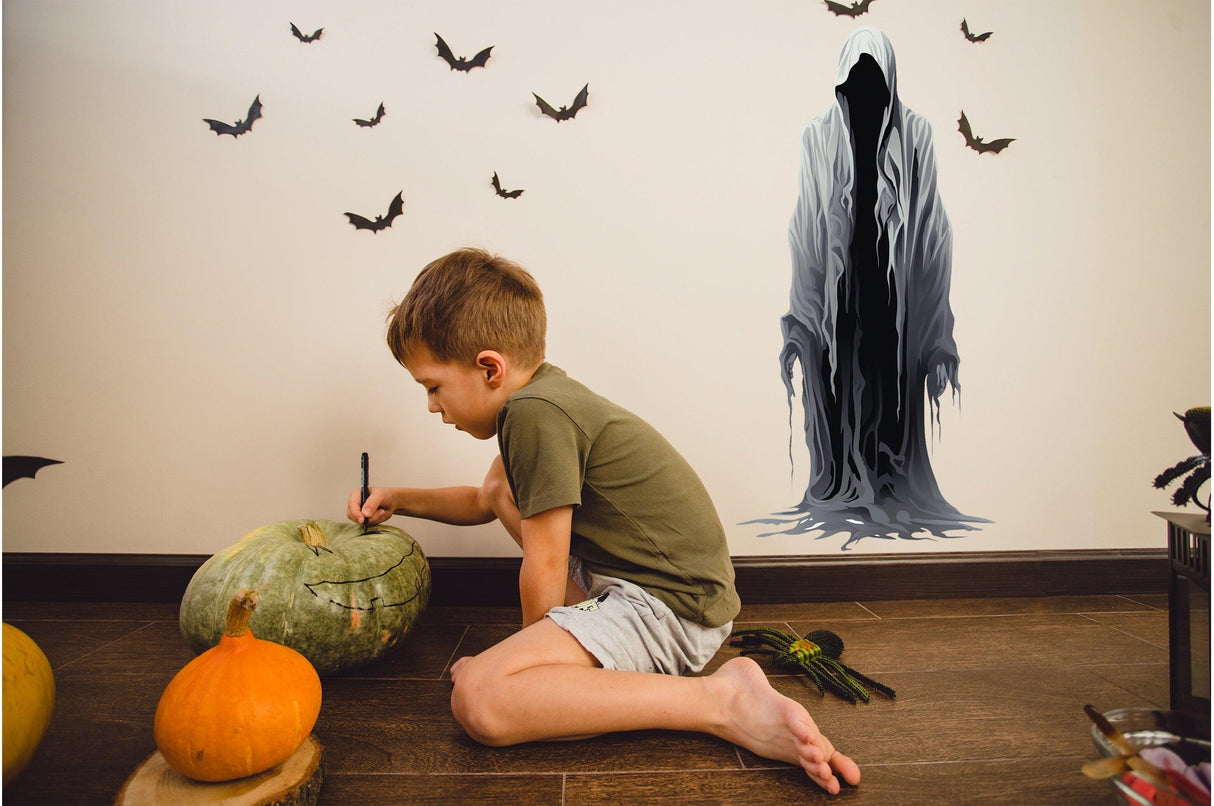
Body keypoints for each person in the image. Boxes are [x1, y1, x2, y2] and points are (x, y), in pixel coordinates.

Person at [347, 247, 860, 793]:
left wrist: (527, 672)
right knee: (501, 486)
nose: (431, 406)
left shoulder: (534, 416)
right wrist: (398, 498)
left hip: (671, 611)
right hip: (642, 585)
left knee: (480, 702)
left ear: (489, 368)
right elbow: (484, 498)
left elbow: (544, 563)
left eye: (433, 387)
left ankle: (718, 700)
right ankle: (567, 664)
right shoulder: (543, 397)